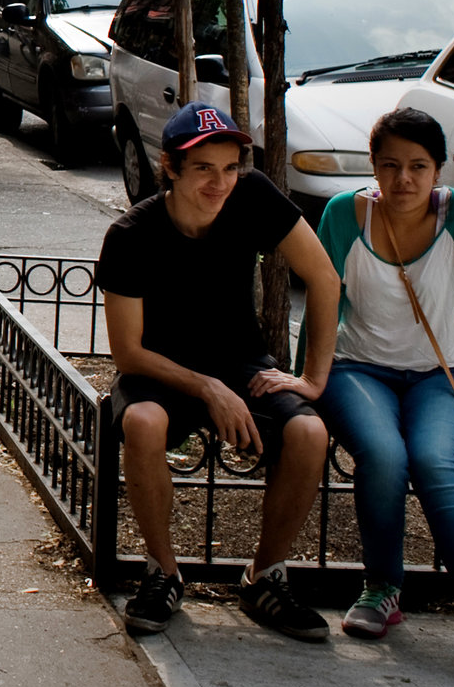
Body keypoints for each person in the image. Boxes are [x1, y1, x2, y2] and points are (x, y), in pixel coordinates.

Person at [97, 102, 339, 642]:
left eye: (230, 167)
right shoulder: (131, 236)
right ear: (171, 167)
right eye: (204, 168)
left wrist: (313, 379)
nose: (220, 182)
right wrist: (208, 388)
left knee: (308, 431)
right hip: (161, 368)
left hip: (241, 362)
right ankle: (163, 573)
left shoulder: (250, 197)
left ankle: (265, 577)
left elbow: (324, 277)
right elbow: (128, 353)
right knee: (142, 424)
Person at [315, 108, 454, 687]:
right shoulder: (345, 214)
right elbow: (325, 304)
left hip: (444, 374)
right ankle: (382, 587)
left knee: (435, 463)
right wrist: (309, 377)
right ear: (373, 167)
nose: (403, 180)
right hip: (360, 370)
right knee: (383, 455)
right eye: (390, 166)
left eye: (418, 167)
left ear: (439, 171)